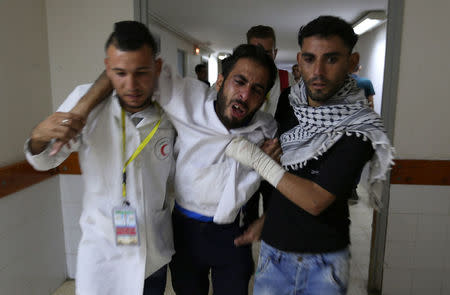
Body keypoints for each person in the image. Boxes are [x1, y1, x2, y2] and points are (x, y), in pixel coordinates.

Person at [59, 44, 280, 295]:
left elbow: (277, 182)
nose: (244, 94)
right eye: (239, 82)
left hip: (232, 235)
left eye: (257, 90)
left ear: (263, 100)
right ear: (220, 81)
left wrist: (266, 218)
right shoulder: (190, 103)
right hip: (185, 231)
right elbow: (138, 70)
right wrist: (78, 111)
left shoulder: (267, 129)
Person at [226, 16, 394, 295]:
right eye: (309, 58)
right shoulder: (289, 100)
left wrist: (257, 159)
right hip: (273, 251)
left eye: (331, 59)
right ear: (299, 62)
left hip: (323, 261)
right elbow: (287, 175)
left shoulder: (360, 126)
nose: (317, 71)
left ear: (352, 63)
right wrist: (266, 221)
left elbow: (315, 199)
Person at [25, 21, 175, 295]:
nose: (131, 85)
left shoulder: (172, 110)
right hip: (101, 255)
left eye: (141, 72)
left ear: (156, 67)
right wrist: (37, 138)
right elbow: (46, 160)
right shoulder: (85, 101)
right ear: (107, 69)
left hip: (151, 256)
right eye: (119, 73)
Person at [246, 25, 295, 116]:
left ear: (274, 53)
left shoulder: (287, 79)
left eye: (267, 53)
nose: (261, 58)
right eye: (256, 52)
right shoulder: (234, 78)